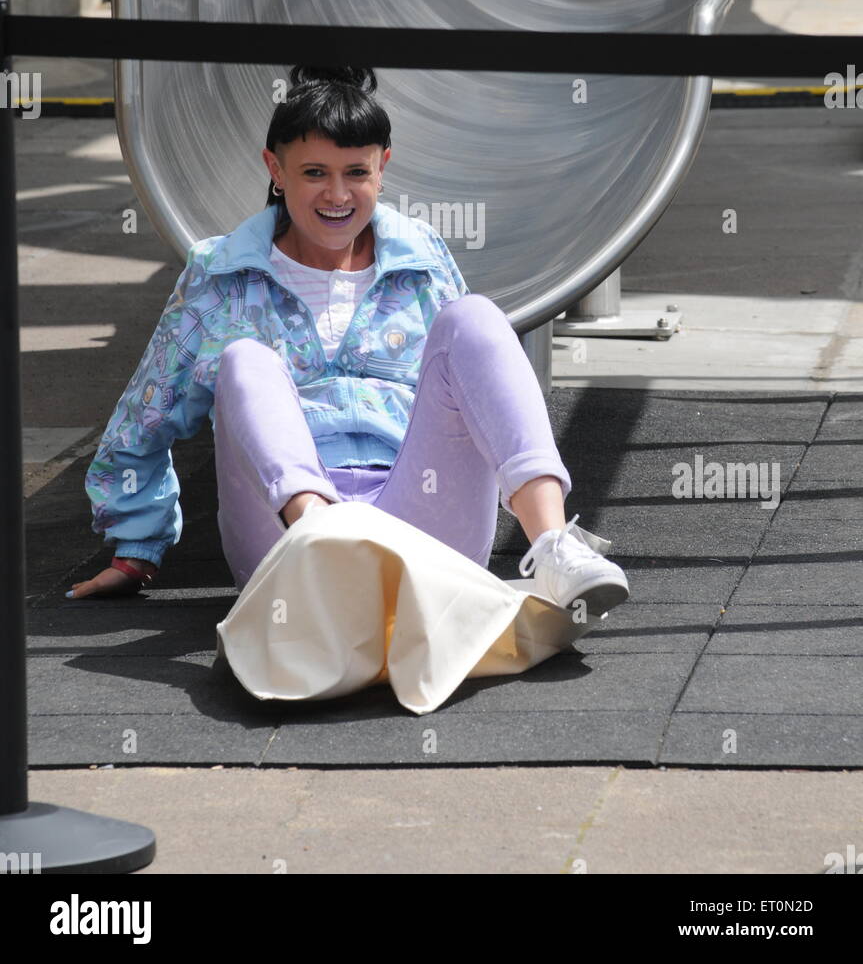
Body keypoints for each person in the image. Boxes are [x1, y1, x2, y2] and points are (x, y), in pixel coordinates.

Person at [70, 67, 629, 618]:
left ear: (382, 168)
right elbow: (146, 414)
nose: (337, 194)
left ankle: (554, 546)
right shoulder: (220, 274)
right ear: (276, 169)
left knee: (477, 318)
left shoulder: (422, 259)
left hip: (422, 522)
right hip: (287, 546)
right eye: (314, 171)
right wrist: (136, 548)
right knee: (244, 359)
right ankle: (321, 536)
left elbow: (481, 388)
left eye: (355, 172)